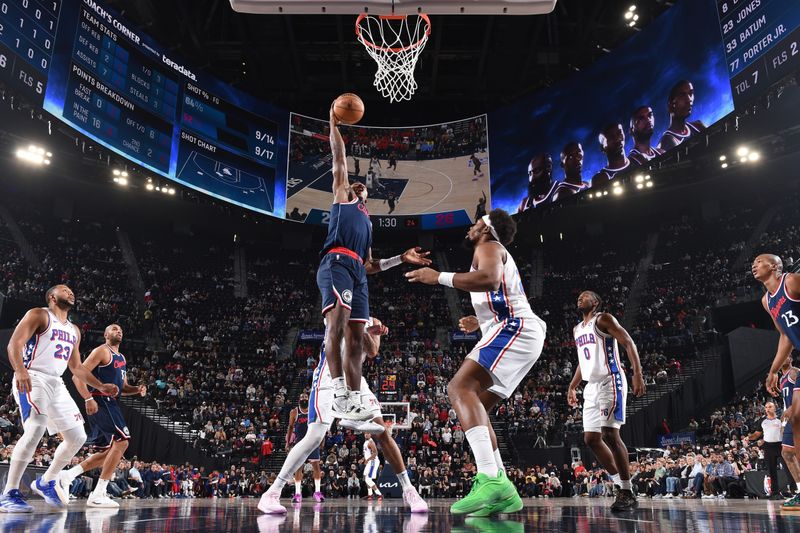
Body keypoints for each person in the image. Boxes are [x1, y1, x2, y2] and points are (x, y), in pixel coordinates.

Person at [405, 209, 547, 516]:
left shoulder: (488, 246)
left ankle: (489, 477)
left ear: (487, 227)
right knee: (478, 405)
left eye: (476, 222)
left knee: (459, 387)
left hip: (515, 328)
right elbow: (500, 293)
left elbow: (490, 280)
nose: (472, 227)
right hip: (513, 330)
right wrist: (479, 321)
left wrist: (438, 277)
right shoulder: (489, 250)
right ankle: (505, 491)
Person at [317, 106, 431, 423]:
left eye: (363, 188)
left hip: (357, 271)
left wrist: (401, 259)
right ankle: (339, 391)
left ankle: (352, 396)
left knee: (357, 338)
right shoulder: (342, 195)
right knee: (336, 325)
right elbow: (339, 158)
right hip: (337, 261)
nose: (359, 187)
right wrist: (333, 124)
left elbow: (369, 265)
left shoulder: (367, 224)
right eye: (357, 185)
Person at [258, 317, 428, 514]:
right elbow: (337, 329)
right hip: (329, 376)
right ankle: (272, 492)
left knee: (382, 431)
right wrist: (358, 327)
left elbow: (372, 351)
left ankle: (409, 490)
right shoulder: (338, 306)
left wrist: (365, 331)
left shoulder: (373, 320)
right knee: (314, 437)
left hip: (355, 378)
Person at [0, 285, 118, 512]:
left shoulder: (74, 329)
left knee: (77, 436)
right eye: (65, 290)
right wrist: (20, 370)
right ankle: (9, 492)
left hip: (56, 382)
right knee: (35, 428)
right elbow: (14, 343)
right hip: (33, 376)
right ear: (52, 296)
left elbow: (76, 368)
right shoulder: (39, 314)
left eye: (72, 290)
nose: (70, 292)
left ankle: (46, 481)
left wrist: (101, 386)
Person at [567, 291, 645, 512]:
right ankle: (622, 486)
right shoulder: (577, 329)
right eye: (578, 297)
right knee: (591, 439)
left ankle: (627, 490)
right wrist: (572, 386)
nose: (580, 298)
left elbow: (628, 342)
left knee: (610, 434)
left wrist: (637, 373)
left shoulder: (603, 319)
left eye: (585, 296)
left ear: (596, 301)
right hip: (591, 386)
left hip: (611, 380)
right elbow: (583, 361)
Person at [58, 324, 146, 508]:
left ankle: (68, 475)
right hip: (100, 400)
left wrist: (137, 389)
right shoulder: (101, 351)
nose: (118, 331)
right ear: (105, 334)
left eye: (121, 329)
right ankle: (98, 494)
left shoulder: (121, 358)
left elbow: (122, 388)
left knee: (106, 452)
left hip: (111, 402)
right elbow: (77, 376)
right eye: (114, 329)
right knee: (123, 441)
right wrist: (88, 398)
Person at [755, 253, 800, 510]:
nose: (754, 264)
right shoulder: (766, 300)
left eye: (760, 261)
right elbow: (785, 336)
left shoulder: (791, 281)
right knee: (796, 426)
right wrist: (773, 370)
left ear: (774, 266)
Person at [746, 401, 790, 499]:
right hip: (768, 447)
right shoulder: (762, 421)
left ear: (775, 408)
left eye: (770, 407)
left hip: (780, 445)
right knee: (772, 470)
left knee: (788, 468)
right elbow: (756, 434)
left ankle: (793, 489)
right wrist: (748, 438)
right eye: (766, 407)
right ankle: (775, 493)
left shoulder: (780, 419)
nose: (767, 409)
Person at [285, 393, 324, 503]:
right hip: (300, 443)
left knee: (316, 467)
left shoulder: (314, 411)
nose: (303, 399)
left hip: (312, 442)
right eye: (301, 397)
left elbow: (321, 426)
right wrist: (288, 442)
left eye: (305, 397)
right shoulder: (294, 412)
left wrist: (321, 440)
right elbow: (290, 427)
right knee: (298, 468)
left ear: (309, 399)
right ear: (299, 400)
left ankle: (317, 492)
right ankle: (297, 494)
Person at [657, 80, 706, 150]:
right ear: (671, 104)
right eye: (682, 95)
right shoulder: (667, 140)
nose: (689, 99)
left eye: (691, 93)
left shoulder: (698, 126)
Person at [780, 359, 800, 495]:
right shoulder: (782, 378)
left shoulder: (795, 372)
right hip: (791, 419)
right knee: (787, 453)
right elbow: (785, 402)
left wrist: (793, 407)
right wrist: (782, 424)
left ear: (791, 359)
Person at [590, 123, 631, 189]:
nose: (617, 138)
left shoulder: (639, 160)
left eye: (619, 133)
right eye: (611, 137)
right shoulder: (599, 179)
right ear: (603, 147)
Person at [361, 433, 382, 501]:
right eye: (365, 433)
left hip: (373, 462)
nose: (366, 435)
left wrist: (367, 460)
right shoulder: (366, 442)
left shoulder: (371, 442)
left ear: (370, 435)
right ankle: (370, 495)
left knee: (368, 479)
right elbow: (367, 453)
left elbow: (375, 453)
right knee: (365, 476)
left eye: (368, 433)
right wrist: (363, 459)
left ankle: (379, 494)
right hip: (369, 461)